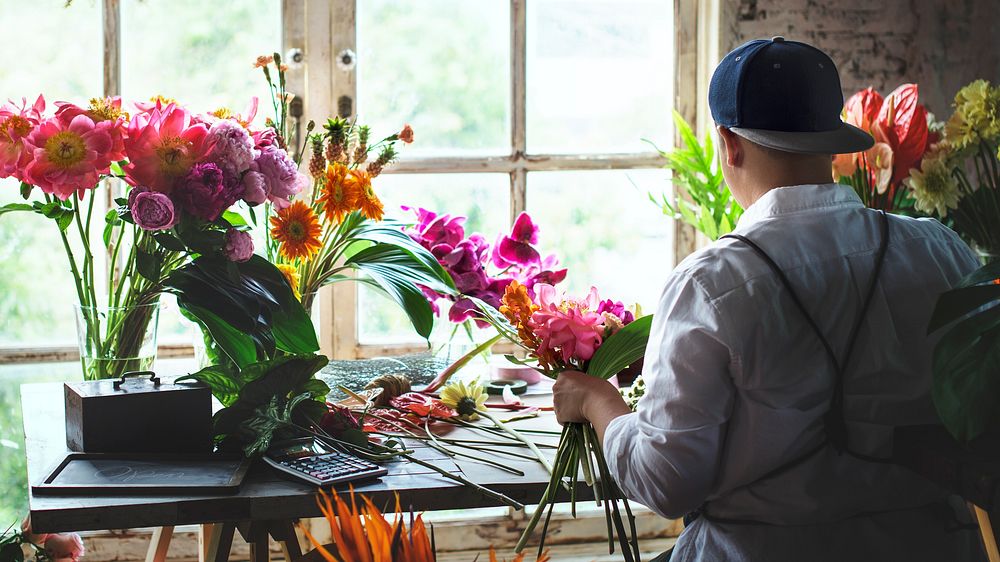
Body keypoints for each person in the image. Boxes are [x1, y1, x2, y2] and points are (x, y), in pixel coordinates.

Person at [552, 37, 985, 561]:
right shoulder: (939, 250)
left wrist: (597, 401)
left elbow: (666, 484)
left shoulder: (711, 283)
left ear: (728, 144)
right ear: (833, 140)